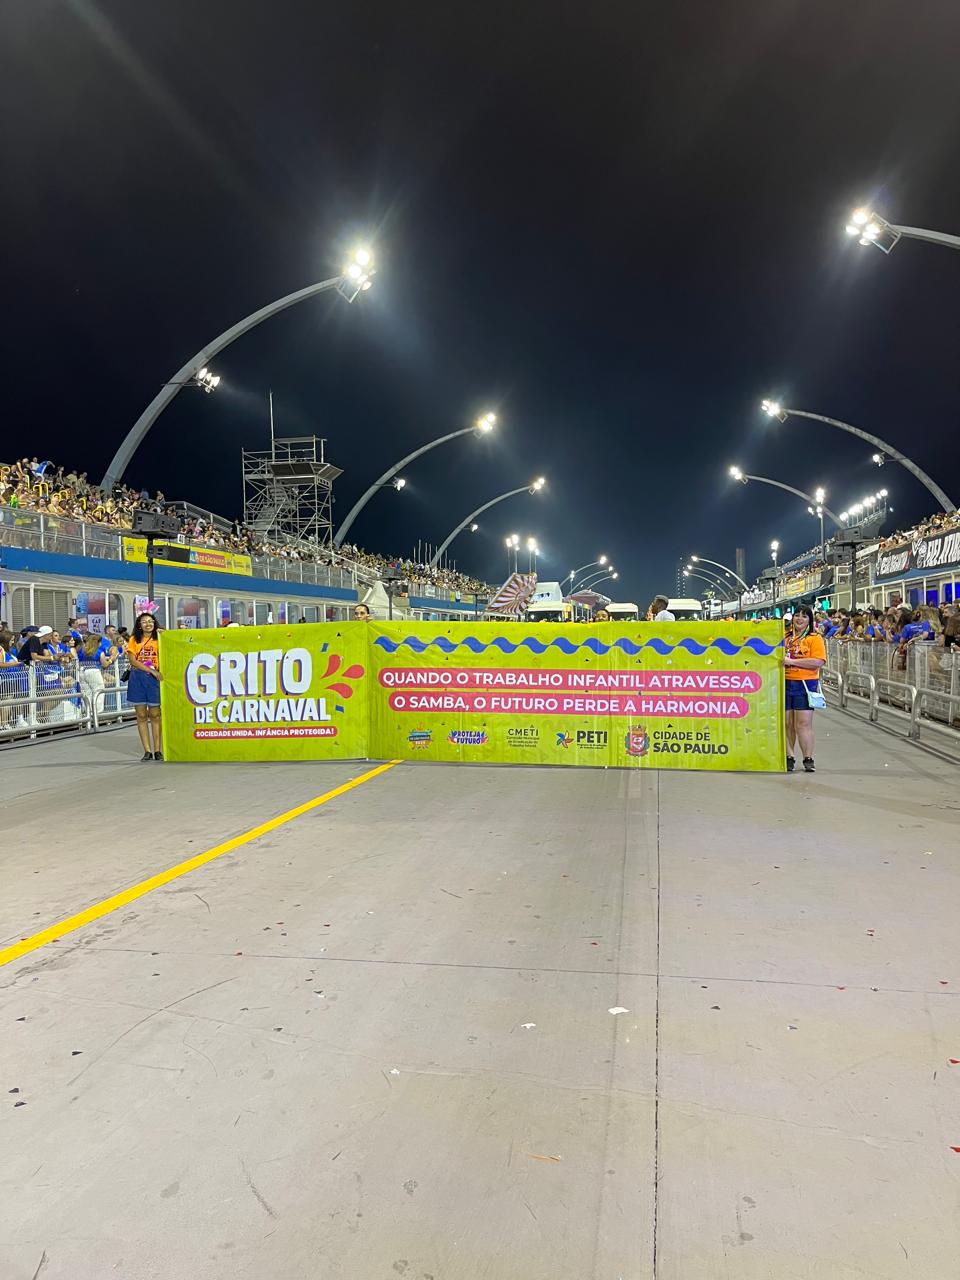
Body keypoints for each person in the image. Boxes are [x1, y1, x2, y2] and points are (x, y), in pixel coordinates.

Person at [783, 604, 826, 773]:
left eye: (804, 616)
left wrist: (792, 662)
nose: (799, 619)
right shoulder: (785, 637)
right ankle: (789, 757)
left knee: (803, 723)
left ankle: (808, 758)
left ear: (810, 620)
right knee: (787, 724)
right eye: (797, 615)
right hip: (784, 683)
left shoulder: (814, 638)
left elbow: (818, 661)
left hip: (805, 684)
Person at [126, 613, 163, 761]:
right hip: (138, 678)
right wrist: (151, 671)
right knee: (141, 715)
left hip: (154, 681)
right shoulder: (134, 639)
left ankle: (158, 750)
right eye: (144, 622)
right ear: (139, 625)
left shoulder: (160, 638)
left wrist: (164, 632)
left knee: (155, 715)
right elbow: (132, 661)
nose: (148, 624)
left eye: (150, 621)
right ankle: (147, 751)